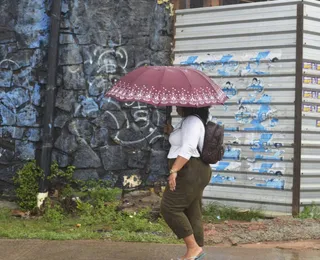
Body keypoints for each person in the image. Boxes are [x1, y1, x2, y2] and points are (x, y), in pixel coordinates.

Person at [161, 106, 212, 260]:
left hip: (190, 170)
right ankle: (197, 250)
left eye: (179, 104)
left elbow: (189, 147)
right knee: (192, 210)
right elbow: (183, 142)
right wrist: (171, 132)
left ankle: (193, 248)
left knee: (169, 207)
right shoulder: (187, 122)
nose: (176, 106)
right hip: (193, 170)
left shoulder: (192, 120)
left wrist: (174, 170)